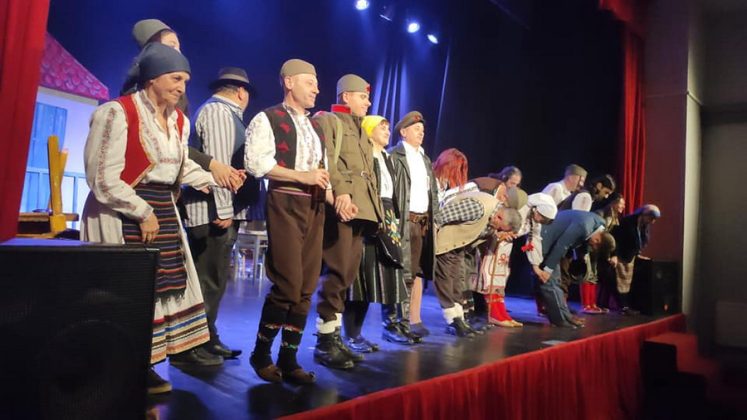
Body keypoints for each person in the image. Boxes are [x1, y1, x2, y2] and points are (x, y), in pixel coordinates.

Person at [81, 43, 221, 394]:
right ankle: (117, 364)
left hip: (163, 210)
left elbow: (173, 165)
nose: (182, 87)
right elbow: (101, 176)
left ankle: (144, 363)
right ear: (152, 78)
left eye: (185, 80)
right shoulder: (118, 113)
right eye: (176, 79)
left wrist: (212, 178)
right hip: (122, 211)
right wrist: (142, 212)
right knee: (127, 290)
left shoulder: (178, 121)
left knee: (161, 287)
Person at [244, 59, 328, 384]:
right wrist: (302, 176)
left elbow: (321, 173)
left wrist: (338, 199)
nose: (316, 89)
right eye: (310, 82)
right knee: (288, 284)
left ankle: (289, 358)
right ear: (289, 82)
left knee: (306, 287)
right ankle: (261, 353)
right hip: (285, 202)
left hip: (315, 206)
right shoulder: (268, 118)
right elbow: (256, 164)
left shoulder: (316, 127)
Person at [183, 67, 255, 360]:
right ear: (241, 92)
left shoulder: (225, 114)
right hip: (212, 211)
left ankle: (207, 336)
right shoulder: (218, 113)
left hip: (218, 209)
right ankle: (193, 344)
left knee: (214, 279)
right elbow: (220, 166)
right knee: (207, 279)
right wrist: (225, 209)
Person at [312, 74, 384, 370]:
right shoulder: (329, 120)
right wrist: (340, 192)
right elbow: (327, 159)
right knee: (338, 271)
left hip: (361, 209)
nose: (368, 102)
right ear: (346, 96)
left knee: (347, 275)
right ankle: (324, 341)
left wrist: (376, 213)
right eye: (363, 97)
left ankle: (334, 336)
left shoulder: (360, 128)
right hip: (343, 205)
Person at [124, 18, 243, 192]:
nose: (178, 52)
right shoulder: (125, 108)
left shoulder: (178, 105)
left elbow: (178, 151)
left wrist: (211, 179)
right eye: (172, 45)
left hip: (167, 194)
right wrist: (212, 165)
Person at [344, 116, 411, 347]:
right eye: (381, 127)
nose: (387, 130)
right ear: (368, 130)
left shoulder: (386, 158)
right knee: (360, 278)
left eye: (388, 127)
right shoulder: (364, 156)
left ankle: (386, 327)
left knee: (387, 274)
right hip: (368, 216)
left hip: (387, 216)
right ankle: (351, 334)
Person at [434, 191, 523, 337]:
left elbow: (478, 230)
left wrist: (495, 235)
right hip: (445, 243)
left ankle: (459, 319)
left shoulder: (493, 217)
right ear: (499, 217)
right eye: (500, 228)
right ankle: (452, 320)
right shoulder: (479, 207)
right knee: (446, 279)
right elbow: (441, 216)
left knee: (458, 281)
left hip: (458, 246)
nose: (497, 230)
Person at [388, 111, 439, 339]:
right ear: (403, 131)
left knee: (415, 273)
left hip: (422, 223)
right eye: (416, 129)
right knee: (401, 273)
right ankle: (395, 323)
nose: (421, 133)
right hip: (403, 222)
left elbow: (432, 192)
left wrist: (435, 219)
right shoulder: (394, 156)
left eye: (423, 130)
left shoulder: (424, 159)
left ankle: (408, 320)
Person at [475, 192, 557, 327]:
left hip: (506, 247)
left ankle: (501, 313)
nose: (542, 221)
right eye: (543, 218)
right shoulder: (520, 209)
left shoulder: (534, 221)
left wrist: (536, 266)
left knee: (501, 278)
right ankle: (493, 314)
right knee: (491, 277)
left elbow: (533, 241)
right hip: (494, 243)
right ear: (536, 210)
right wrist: (500, 234)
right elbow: (497, 222)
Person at [536, 210, 616, 327]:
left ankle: (566, 316)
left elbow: (583, 242)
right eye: (593, 246)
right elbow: (562, 245)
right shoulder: (584, 226)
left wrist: (582, 256)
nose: (591, 247)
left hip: (554, 243)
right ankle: (559, 320)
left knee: (556, 283)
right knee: (549, 283)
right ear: (597, 240)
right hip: (545, 240)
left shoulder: (599, 225)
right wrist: (548, 269)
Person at [611, 204, 661, 315]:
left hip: (631, 256)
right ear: (644, 214)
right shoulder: (627, 222)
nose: (652, 222)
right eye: (651, 218)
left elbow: (641, 240)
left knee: (627, 282)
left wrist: (637, 253)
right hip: (621, 255)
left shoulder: (644, 225)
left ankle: (625, 306)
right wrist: (614, 254)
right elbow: (616, 239)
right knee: (620, 281)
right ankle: (622, 307)